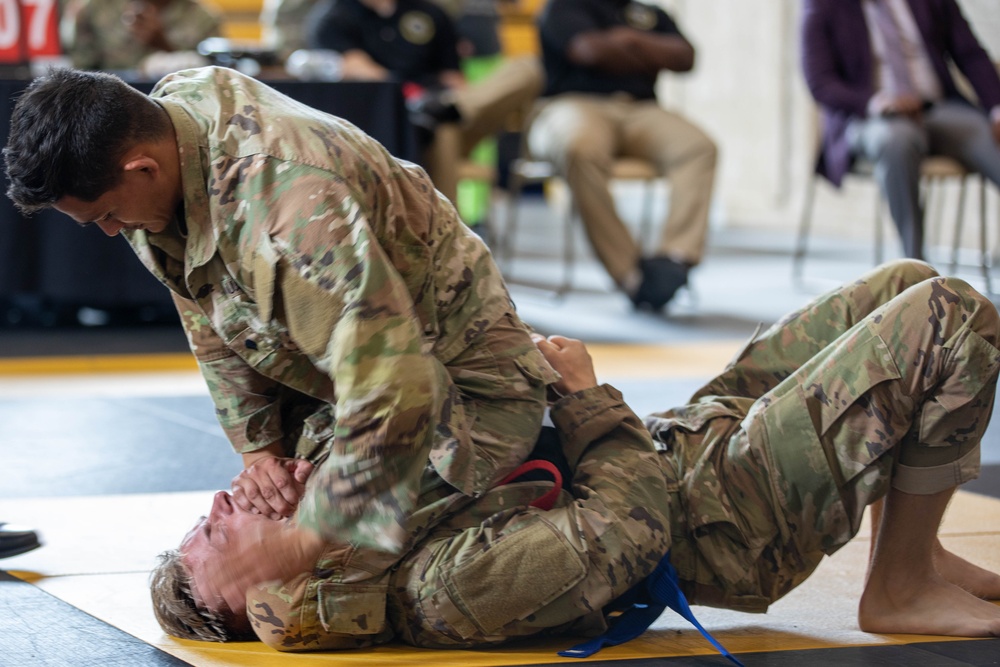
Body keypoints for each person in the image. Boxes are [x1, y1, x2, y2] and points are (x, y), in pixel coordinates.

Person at [150, 259, 1000, 648]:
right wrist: (584, 396)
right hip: (727, 514)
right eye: (218, 533)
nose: (224, 503)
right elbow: (631, 524)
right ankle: (896, 589)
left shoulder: (345, 495)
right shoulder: (445, 591)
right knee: (951, 315)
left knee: (901, 281)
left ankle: (914, 552)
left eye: (212, 510)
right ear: (272, 594)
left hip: (681, 442)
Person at [4, 65, 558, 621]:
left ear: (142, 167)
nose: (109, 230)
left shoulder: (290, 215)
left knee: (304, 596)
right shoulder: (168, 124)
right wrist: (260, 450)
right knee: (260, 539)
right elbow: (203, 304)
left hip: (464, 389)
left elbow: (397, 387)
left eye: (106, 214)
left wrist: (303, 540)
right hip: (342, 369)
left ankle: (600, 462)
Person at [529, 0, 717, 312]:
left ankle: (674, 259)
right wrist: (648, 50)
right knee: (580, 148)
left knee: (698, 147)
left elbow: (685, 57)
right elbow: (588, 51)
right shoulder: (564, 7)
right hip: (573, 104)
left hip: (641, 109)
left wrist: (628, 40)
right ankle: (630, 274)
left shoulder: (651, 13)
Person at [801, 0, 1000, 261]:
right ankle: (915, 267)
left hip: (937, 108)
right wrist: (873, 102)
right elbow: (820, 81)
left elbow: (970, 53)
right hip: (868, 118)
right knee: (897, 140)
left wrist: (997, 105)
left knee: (990, 137)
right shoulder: (823, 5)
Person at [308, 0, 545, 208]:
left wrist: (446, 102)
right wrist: (415, 98)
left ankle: (441, 110)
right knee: (442, 128)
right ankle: (448, 242)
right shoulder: (334, 17)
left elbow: (453, 79)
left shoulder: (429, 12)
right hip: (392, 125)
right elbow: (364, 72)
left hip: (446, 108)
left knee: (527, 68)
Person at [63, 0, 221, 72]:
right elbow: (81, 69)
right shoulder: (95, 8)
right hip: (107, 107)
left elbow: (209, 79)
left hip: (177, 108)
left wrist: (162, 43)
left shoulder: (203, 18)